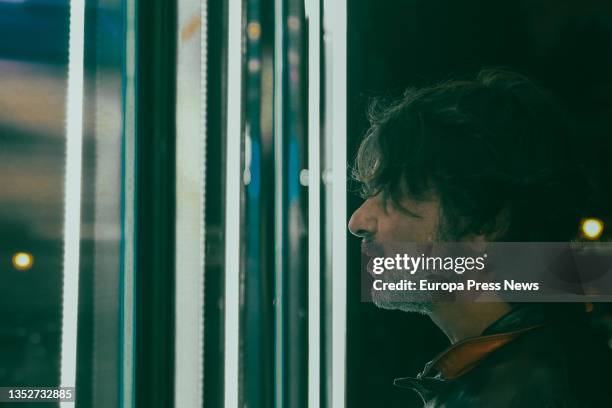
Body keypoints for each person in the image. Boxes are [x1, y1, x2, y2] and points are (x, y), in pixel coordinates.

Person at [348, 69, 612, 407]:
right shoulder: (533, 366)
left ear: (484, 222)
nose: (358, 220)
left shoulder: (534, 391)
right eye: (373, 192)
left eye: (397, 193)